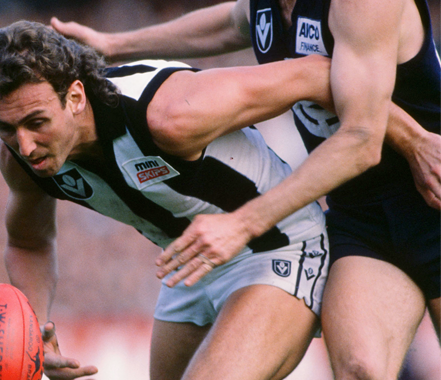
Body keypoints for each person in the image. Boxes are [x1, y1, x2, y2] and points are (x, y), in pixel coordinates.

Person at [51, 1, 441, 379]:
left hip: (434, 201)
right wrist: (113, 45)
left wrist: (243, 223)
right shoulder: (267, 6)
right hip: (364, 214)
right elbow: (228, 23)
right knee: (361, 369)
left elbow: (361, 139)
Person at [0, 20, 339, 380]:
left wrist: (391, 135)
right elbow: (28, 243)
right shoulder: (18, 158)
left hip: (278, 245)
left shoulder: (169, 112)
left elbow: (313, 74)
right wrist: (33, 331)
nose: (24, 145)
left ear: (76, 97)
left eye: (36, 122)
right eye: (5, 127)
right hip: (191, 266)